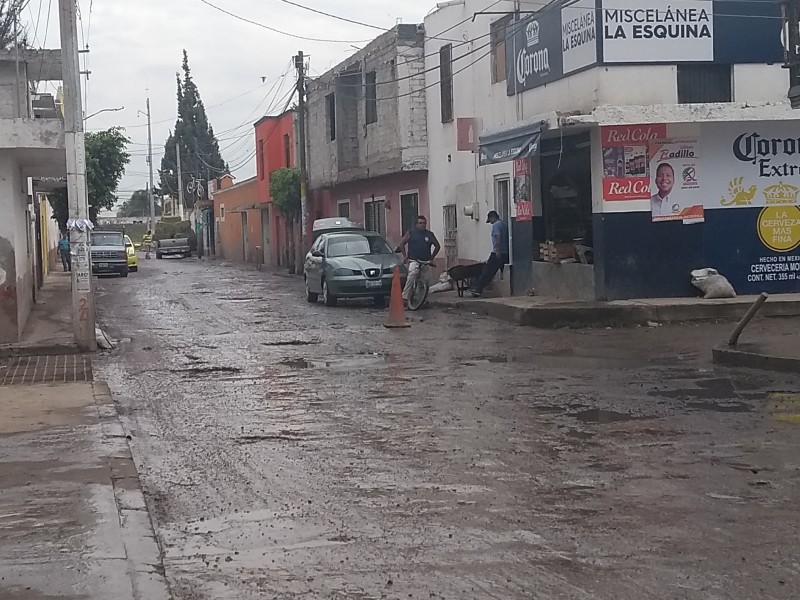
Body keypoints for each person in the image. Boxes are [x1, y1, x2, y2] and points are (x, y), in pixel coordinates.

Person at [396, 215, 441, 305]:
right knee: (412, 274)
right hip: (414, 259)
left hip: (426, 261)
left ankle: (421, 299)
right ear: (416, 224)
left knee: (425, 280)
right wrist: (405, 256)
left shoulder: (429, 234)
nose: (423, 225)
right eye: (420, 223)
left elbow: (437, 246)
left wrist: (432, 258)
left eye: (424, 223)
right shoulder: (411, 233)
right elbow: (401, 244)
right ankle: (405, 296)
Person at [470, 210, 509, 298]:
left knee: (487, 271)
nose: (490, 223)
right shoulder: (504, 224)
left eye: (490, 220)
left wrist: (497, 250)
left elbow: (498, 237)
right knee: (497, 270)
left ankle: (478, 289)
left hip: (497, 252)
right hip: (505, 252)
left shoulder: (496, 225)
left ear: (492, 217)